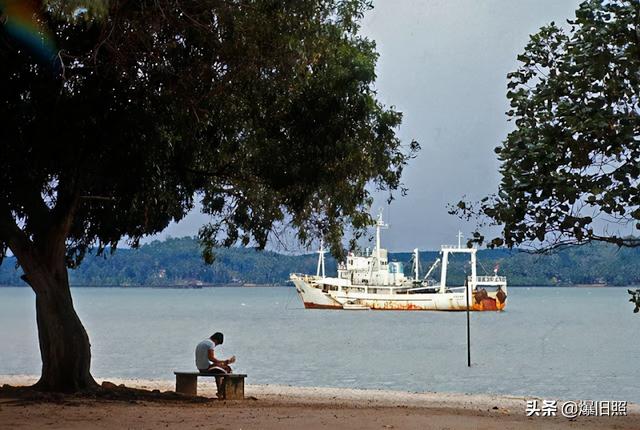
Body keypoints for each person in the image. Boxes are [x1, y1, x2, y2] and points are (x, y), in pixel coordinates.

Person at [195, 332, 236, 397]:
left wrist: (221, 363)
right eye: (217, 344)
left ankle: (220, 391)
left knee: (219, 371)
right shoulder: (211, 344)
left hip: (200, 367)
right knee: (228, 369)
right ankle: (221, 391)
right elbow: (211, 358)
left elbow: (208, 359)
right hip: (206, 368)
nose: (215, 345)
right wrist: (224, 362)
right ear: (216, 340)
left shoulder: (203, 342)